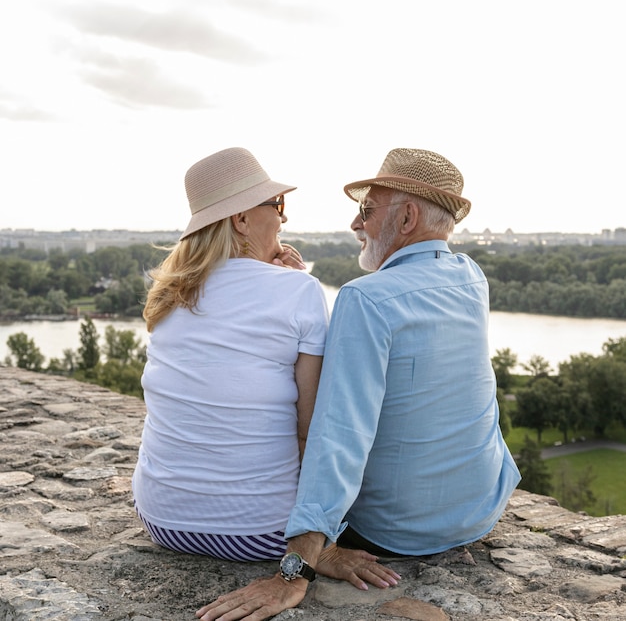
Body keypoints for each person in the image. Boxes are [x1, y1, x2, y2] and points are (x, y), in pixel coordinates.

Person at [197, 148, 521, 620]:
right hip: (480, 510)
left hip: (397, 533)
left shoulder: (365, 299)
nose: (356, 223)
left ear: (407, 217)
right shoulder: (471, 277)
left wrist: (293, 572)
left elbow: (338, 437)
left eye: (367, 210)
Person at [132, 147, 329, 562]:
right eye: (277, 205)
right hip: (260, 534)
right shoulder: (299, 290)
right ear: (241, 219)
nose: (284, 217)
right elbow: (310, 429)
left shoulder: (170, 292)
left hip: (162, 521)